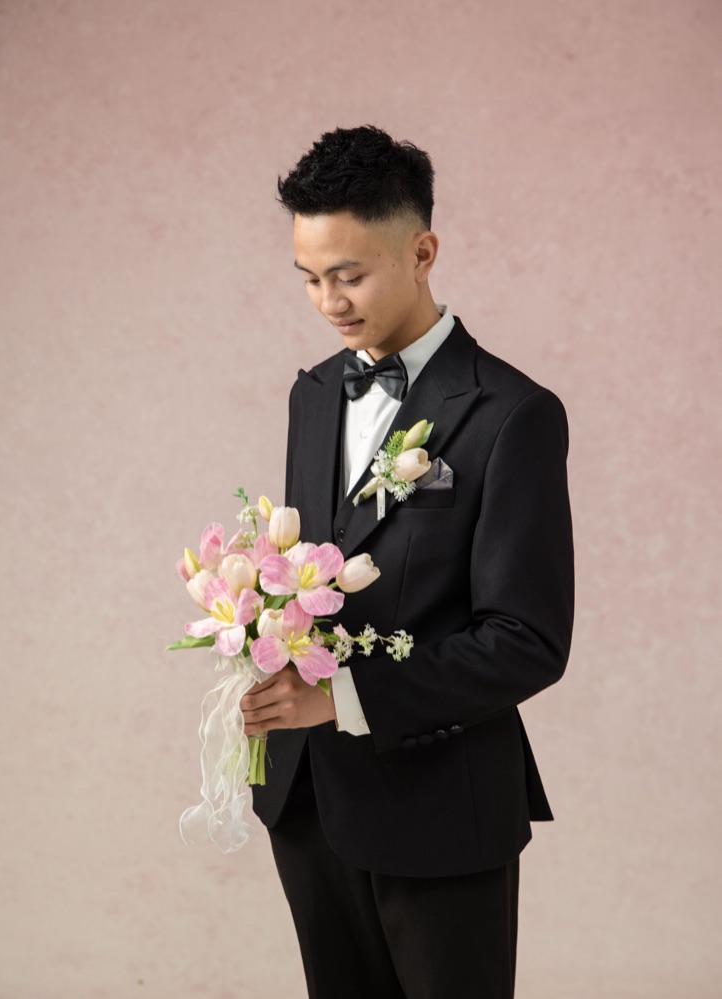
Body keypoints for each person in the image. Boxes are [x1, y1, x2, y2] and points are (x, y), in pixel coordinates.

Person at [240, 125, 574, 999]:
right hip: (308, 798)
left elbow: (528, 639)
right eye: (309, 277)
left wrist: (342, 697)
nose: (328, 301)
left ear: (422, 252)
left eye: (349, 275)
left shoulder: (515, 414)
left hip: (443, 808)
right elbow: (317, 574)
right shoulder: (314, 393)